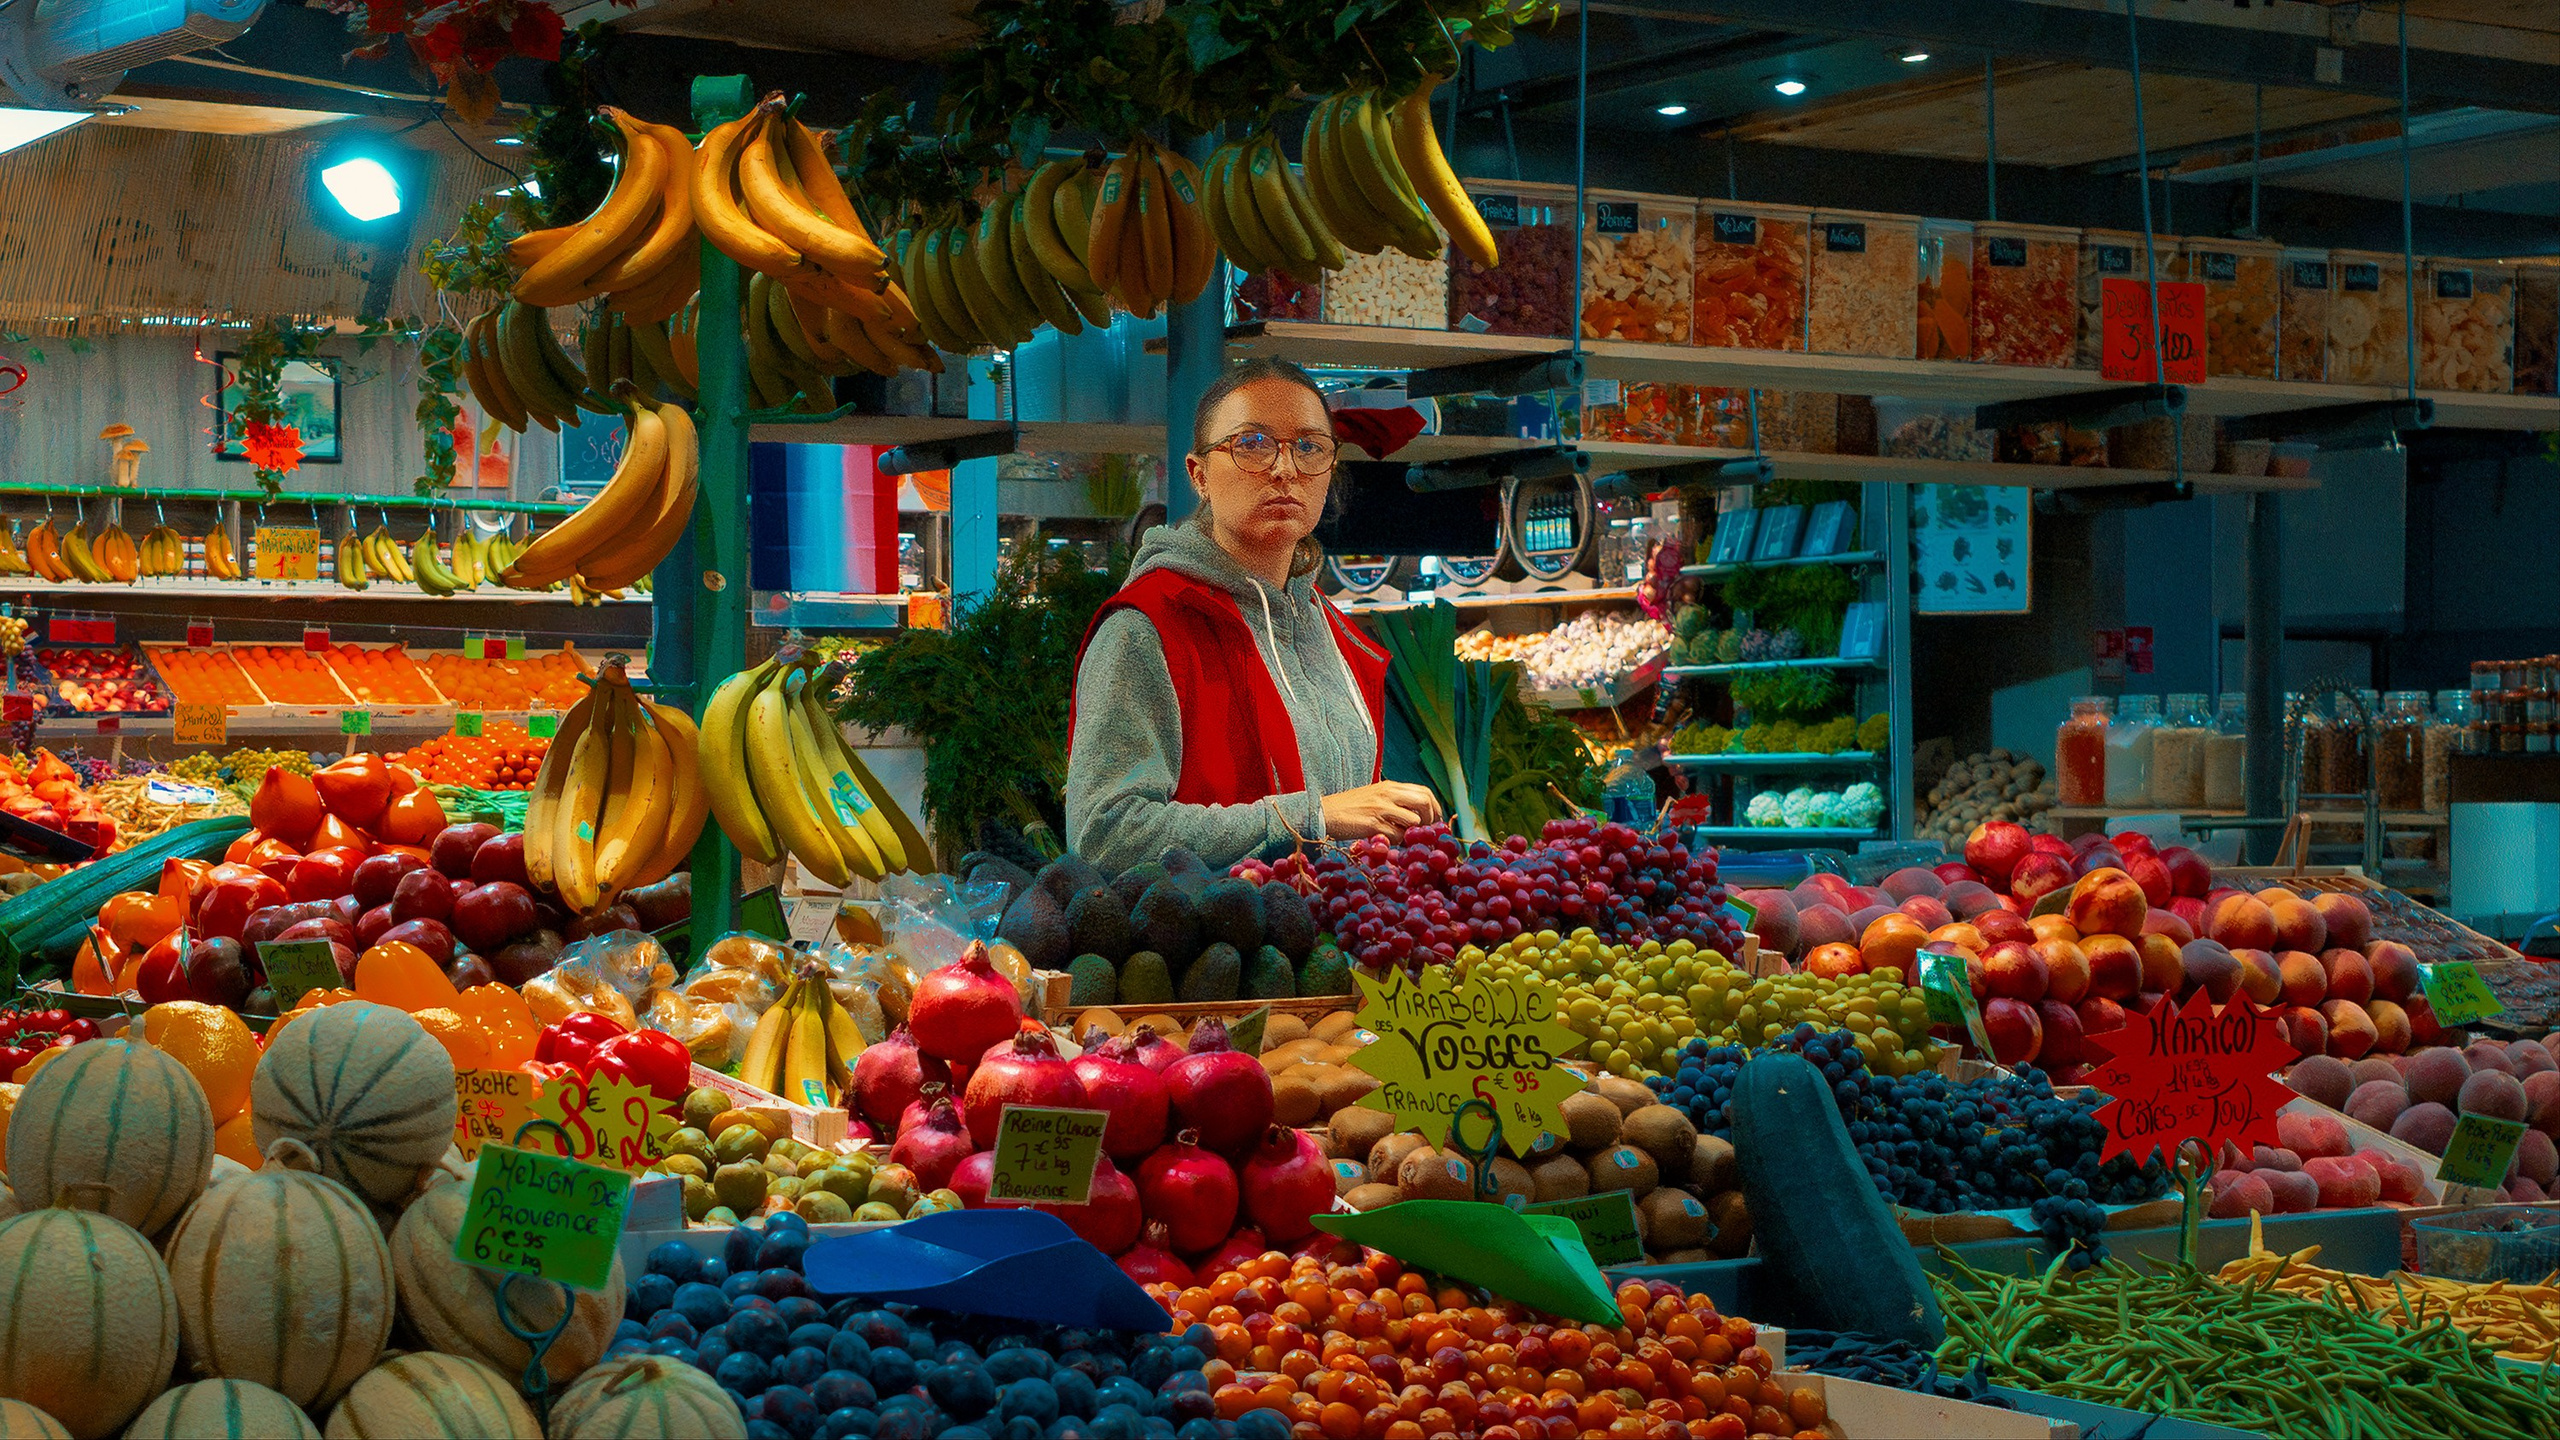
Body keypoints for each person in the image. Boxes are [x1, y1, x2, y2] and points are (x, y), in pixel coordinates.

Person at [1065, 358, 1443, 874]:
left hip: (1331, 944)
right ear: (1198, 474)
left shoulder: (1338, 635)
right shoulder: (1146, 627)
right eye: (1253, 444)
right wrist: (1312, 817)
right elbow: (1104, 835)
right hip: (1208, 948)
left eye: (1309, 447)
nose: (1285, 470)